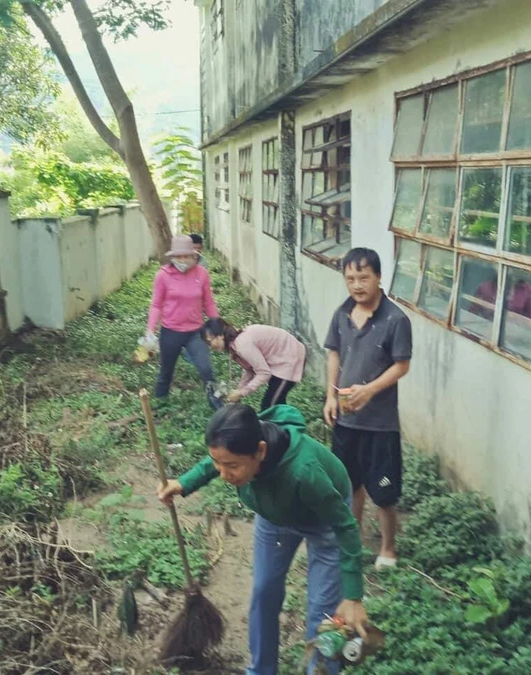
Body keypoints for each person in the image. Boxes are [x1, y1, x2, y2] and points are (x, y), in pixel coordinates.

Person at [157, 404, 368, 675]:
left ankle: (321, 670)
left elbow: (346, 526)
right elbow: (221, 459)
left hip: (322, 522)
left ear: (260, 451)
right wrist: (184, 482)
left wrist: (353, 595)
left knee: (322, 612)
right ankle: (260, 669)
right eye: (218, 464)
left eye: (232, 466)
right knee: (263, 591)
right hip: (274, 516)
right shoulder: (241, 446)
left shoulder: (305, 472)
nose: (223, 474)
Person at [323, 247, 412, 570]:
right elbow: (333, 353)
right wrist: (331, 396)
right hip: (347, 420)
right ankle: (352, 541)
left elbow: (402, 365)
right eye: (350, 278)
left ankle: (388, 549)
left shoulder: (396, 319)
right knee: (349, 485)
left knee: (385, 492)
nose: (357, 285)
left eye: (363, 278)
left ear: (378, 277)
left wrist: (370, 390)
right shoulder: (341, 314)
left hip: (381, 423)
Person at [146, 234, 221, 409]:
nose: (183, 260)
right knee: (166, 371)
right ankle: (161, 401)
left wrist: (216, 321)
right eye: (179, 256)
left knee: (206, 369)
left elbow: (208, 301)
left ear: (194, 256)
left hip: (195, 332)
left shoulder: (201, 274)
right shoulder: (162, 276)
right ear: (172, 257)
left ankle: (216, 401)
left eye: (187, 256)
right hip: (170, 332)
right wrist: (150, 330)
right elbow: (156, 305)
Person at [204, 318, 307, 411]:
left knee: (270, 407)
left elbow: (264, 373)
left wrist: (241, 392)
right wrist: (239, 390)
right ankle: (286, 427)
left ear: (220, 335)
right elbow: (250, 369)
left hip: (288, 358)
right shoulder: (234, 345)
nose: (210, 346)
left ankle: (287, 428)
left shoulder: (242, 345)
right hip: (277, 360)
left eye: (210, 341)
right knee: (276, 403)